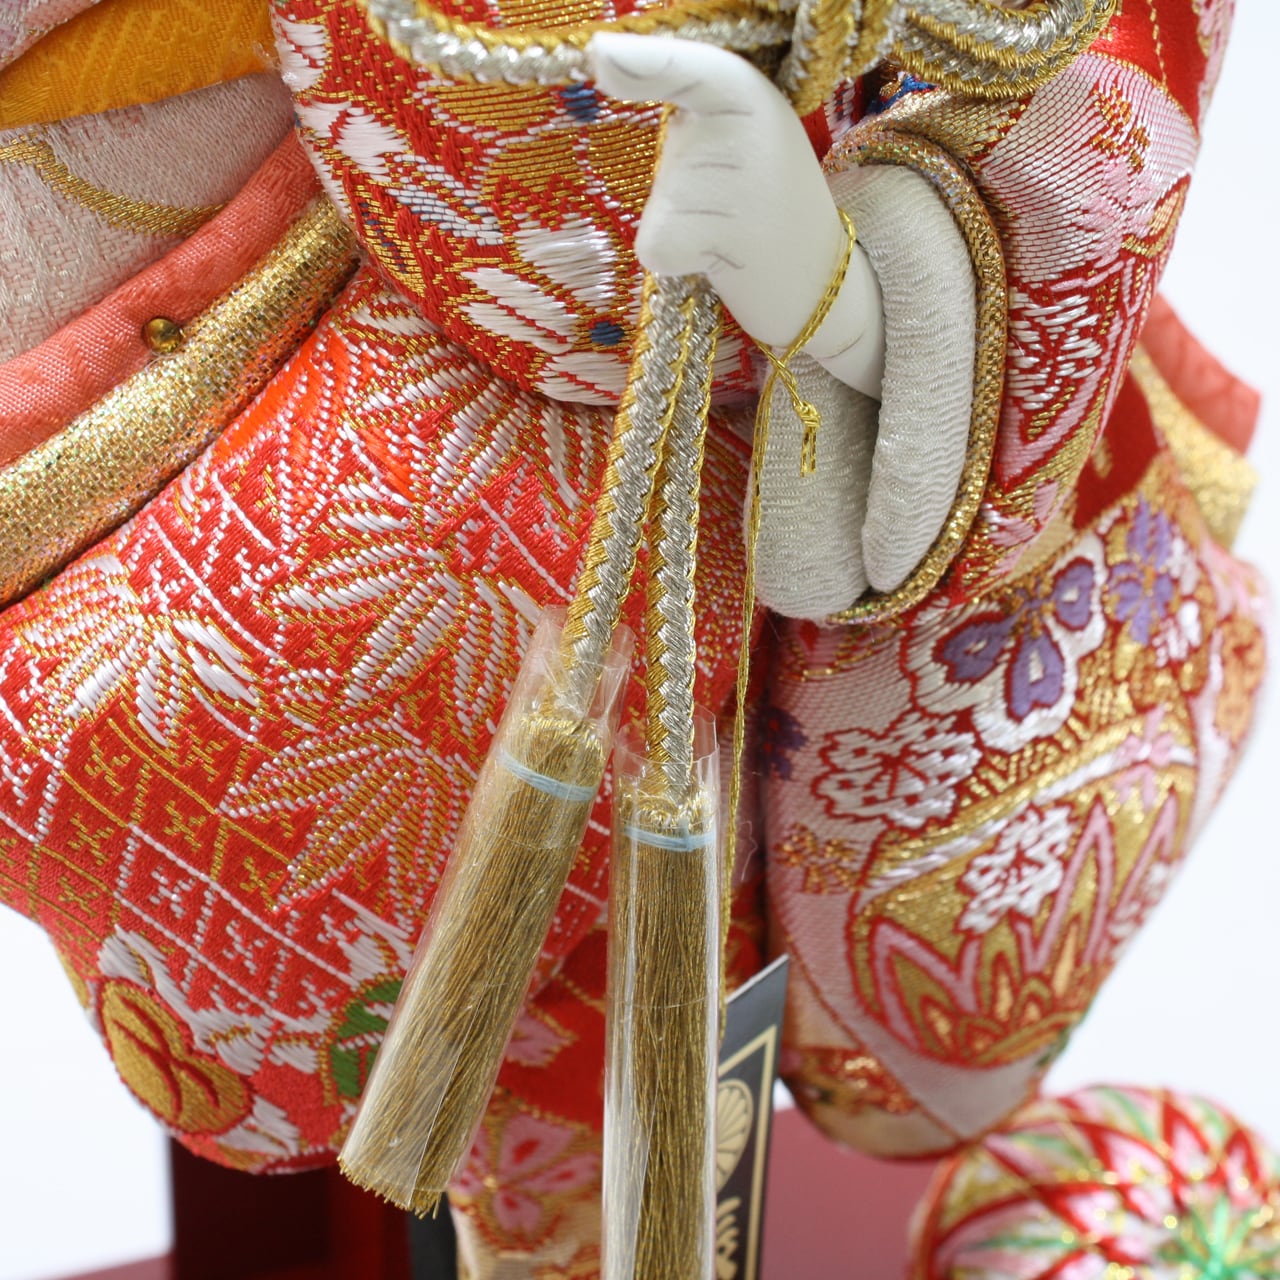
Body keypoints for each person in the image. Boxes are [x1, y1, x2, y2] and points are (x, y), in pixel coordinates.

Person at [0, 0, 1265, 1273]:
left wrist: (852, 298)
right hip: (285, 392)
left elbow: (1095, 58)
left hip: (726, 387)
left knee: (643, 1015)